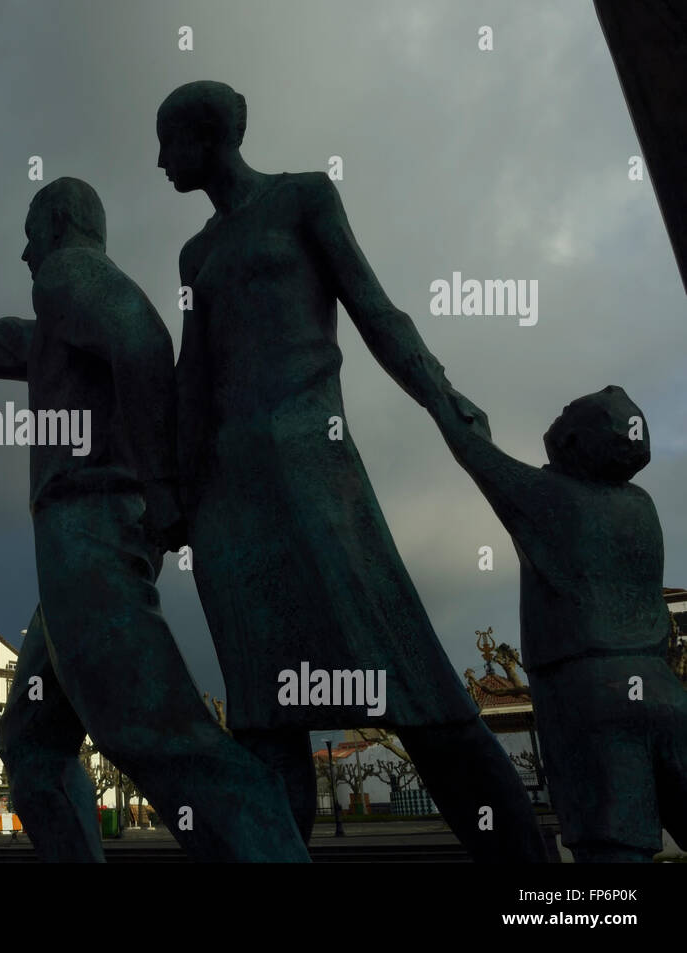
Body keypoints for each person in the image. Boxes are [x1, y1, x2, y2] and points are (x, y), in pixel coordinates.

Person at [0, 177, 308, 862]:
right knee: (31, 749)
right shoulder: (56, 327)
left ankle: (270, 846)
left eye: (31, 233)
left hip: (89, 527)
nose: (23, 253)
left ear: (58, 224)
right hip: (75, 541)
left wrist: (160, 484)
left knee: (152, 729)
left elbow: (142, 341)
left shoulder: (68, 272)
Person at [155, 80, 546, 861]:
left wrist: (439, 395)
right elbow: (190, 380)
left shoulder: (304, 197)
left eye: (169, 142)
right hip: (227, 496)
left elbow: (374, 308)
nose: (159, 162)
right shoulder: (194, 252)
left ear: (209, 138)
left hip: (310, 465)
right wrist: (169, 494)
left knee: (412, 682)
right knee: (264, 714)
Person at [430, 384, 686, 861]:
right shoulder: (642, 506)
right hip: (664, 688)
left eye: (568, 411)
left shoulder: (553, 499)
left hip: (590, 695)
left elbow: (468, 446)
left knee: (613, 856)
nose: (559, 415)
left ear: (572, 441)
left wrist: (441, 390)